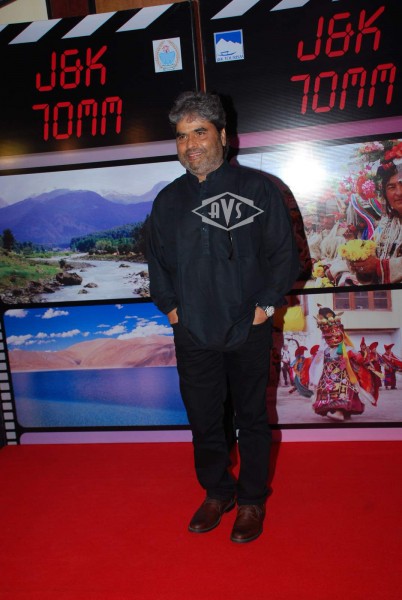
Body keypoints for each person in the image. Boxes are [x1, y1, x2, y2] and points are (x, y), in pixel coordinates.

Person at [147, 91, 300, 543]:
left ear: (223, 135)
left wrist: (264, 308)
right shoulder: (167, 201)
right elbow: (157, 264)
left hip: (247, 328)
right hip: (192, 331)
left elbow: (284, 257)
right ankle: (217, 492)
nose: (190, 144)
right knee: (203, 419)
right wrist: (172, 310)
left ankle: (251, 499)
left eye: (200, 132)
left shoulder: (259, 189)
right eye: (181, 136)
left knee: (251, 417)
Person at [349, 161, 402, 284]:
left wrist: (379, 266)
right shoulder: (386, 224)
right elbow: (371, 251)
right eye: (392, 187)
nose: (399, 192)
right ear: (385, 194)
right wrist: (362, 264)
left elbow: (377, 264)